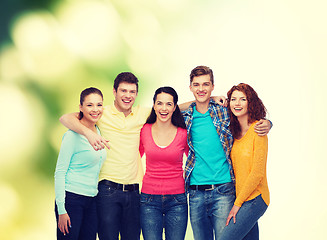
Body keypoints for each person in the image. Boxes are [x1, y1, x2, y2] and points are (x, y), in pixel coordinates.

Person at [182, 66, 272, 240]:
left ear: (213, 85)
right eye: (197, 85)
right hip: (195, 192)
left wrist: (268, 122)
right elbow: (167, 108)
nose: (201, 89)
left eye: (206, 85)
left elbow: (248, 116)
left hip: (224, 191)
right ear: (190, 87)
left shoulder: (223, 112)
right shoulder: (187, 116)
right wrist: (207, 99)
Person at [59, 72, 150, 240]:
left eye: (132, 91)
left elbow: (172, 107)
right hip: (107, 191)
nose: (127, 95)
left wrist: (209, 99)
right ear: (114, 92)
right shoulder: (101, 113)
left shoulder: (142, 114)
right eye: (123, 90)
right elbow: (65, 118)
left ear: (136, 94)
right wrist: (89, 133)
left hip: (135, 191)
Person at [54, 87, 107, 240]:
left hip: (92, 200)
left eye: (99, 105)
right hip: (71, 200)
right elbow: (60, 172)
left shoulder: (99, 130)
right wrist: (62, 210)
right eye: (90, 105)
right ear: (81, 108)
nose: (95, 109)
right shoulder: (71, 136)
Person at [219, 83, 269, 240]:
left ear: (251, 102)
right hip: (241, 197)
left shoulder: (258, 130)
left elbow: (257, 173)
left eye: (242, 99)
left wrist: (237, 204)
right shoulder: (233, 132)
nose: (237, 103)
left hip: (255, 198)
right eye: (233, 99)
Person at [139, 87, 189, 240]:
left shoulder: (183, 133)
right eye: (160, 103)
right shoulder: (144, 130)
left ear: (175, 107)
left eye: (169, 104)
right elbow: (132, 157)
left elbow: (196, 161)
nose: (164, 108)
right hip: (148, 200)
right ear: (154, 105)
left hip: (177, 200)